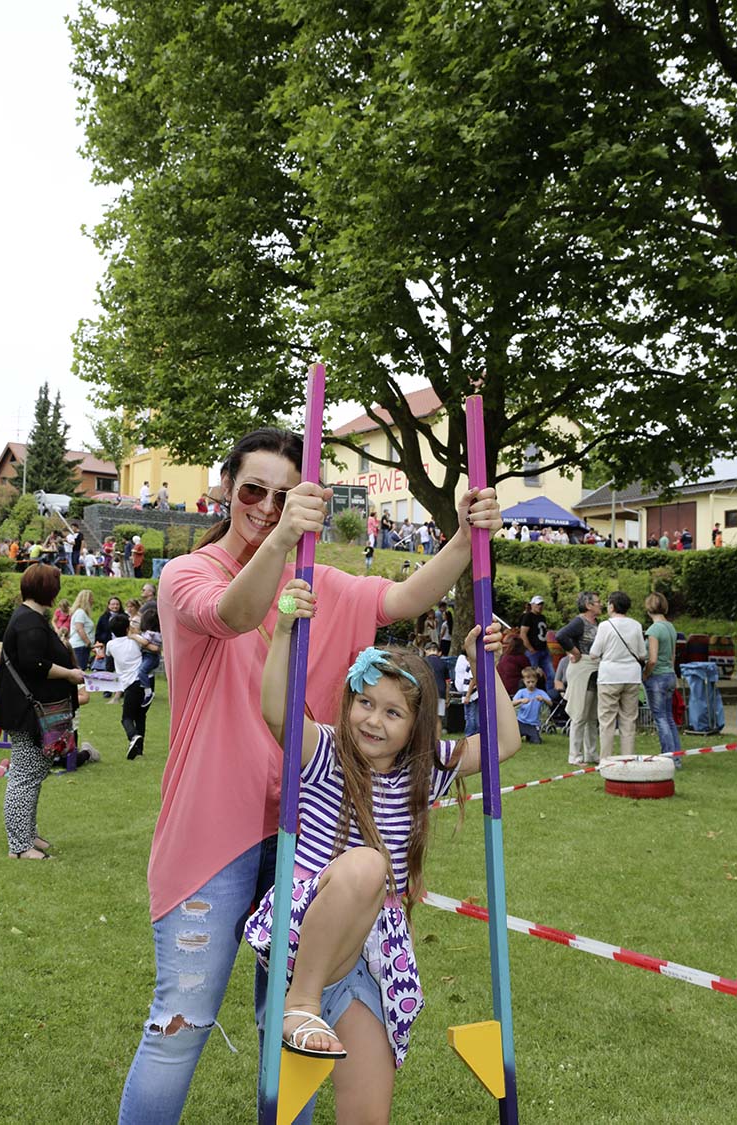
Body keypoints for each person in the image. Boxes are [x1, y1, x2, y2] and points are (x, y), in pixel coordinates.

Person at [116, 425, 504, 1124]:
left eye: (286, 494)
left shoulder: (321, 582)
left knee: (293, 1030)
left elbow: (405, 598)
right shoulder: (189, 575)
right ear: (226, 491)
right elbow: (235, 613)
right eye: (253, 491)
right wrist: (283, 539)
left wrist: (463, 534)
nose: (267, 506)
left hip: (310, 836)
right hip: (212, 832)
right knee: (181, 1023)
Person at [242, 588, 520, 1117]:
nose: (373, 720)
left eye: (393, 712)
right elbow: (276, 710)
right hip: (309, 927)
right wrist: (283, 631)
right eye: (365, 703)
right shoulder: (325, 751)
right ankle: (301, 1003)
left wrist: (484, 666)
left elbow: (504, 744)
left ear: (416, 725)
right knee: (371, 864)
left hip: (376, 951)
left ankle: (317, 1008)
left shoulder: (425, 771)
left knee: (370, 1110)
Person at [0, 564, 84, 858]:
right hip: (29, 714)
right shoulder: (29, 622)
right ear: (48, 590)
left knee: (32, 774)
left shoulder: (30, 618)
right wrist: (69, 674)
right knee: (24, 777)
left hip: (30, 712)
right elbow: (34, 663)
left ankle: (28, 834)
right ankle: (20, 846)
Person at [590, 591, 646, 758]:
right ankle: (627, 758)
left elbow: (594, 653)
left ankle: (606, 760)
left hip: (609, 676)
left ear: (612, 606)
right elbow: (642, 654)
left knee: (607, 720)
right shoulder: (636, 625)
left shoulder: (605, 626)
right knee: (628, 720)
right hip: (631, 677)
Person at [555, 592, 602, 766]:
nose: (601, 604)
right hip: (582, 671)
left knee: (592, 716)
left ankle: (591, 753)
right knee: (579, 714)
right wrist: (575, 652)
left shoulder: (598, 623)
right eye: (597, 602)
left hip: (595, 672)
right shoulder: (579, 621)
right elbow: (561, 635)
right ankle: (574, 755)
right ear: (588, 605)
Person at [642, 592, 682, 768]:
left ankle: (668, 757)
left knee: (660, 718)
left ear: (649, 608)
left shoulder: (654, 630)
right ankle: (676, 757)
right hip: (669, 675)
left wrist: (645, 674)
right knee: (669, 718)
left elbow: (652, 659)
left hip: (657, 677)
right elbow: (672, 656)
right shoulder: (670, 627)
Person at [106, 613, 149, 759]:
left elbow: (108, 657)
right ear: (127, 628)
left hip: (130, 684)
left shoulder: (110, 645)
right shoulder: (135, 641)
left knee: (127, 718)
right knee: (140, 716)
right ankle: (139, 750)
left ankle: (133, 737)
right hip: (144, 682)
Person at [519, 595, 555, 690]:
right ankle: (533, 694)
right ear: (532, 605)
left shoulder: (542, 617)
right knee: (532, 676)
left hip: (543, 649)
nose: (540, 606)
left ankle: (548, 694)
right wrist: (530, 648)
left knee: (551, 674)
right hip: (533, 651)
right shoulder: (528, 617)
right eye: (538, 604)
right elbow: (523, 634)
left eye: (541, 604)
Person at [131, 604, 162, 705]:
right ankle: (143, 688)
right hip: (149, 656)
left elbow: (144, 642)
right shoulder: (155, 632)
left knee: (142, 671)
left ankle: (148, 692)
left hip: (150, 656)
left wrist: (134, 636)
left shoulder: (151, 633)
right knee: (144, 672)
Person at [511, 667, 551, 743]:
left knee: (536, 741)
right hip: (521, 722)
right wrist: (521, 700)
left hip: (533, 723)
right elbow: (512, 703)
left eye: (533, 682)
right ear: (524, 681)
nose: (531, 684)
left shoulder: (540, 692)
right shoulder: (521, 692)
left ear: (536, 681)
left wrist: (543, 699)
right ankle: (522, 734)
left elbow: (550, 703)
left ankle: (530, 736)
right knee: (513, 740)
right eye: (528, 682)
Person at [424, 641, 450, 737]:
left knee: (426, 718)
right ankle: (438, 740)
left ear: (426, 651)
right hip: (440, 692)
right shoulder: (443, 663)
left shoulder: (423, 662)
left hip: (426, 692)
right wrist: (447, 697)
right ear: (439, 652)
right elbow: (447, 682)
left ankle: (426, 739)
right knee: (438, 718)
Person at [69, 590, 95, 671]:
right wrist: (88, 642)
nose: (93, 600)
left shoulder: (81, 613)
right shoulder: (80, 612)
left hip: (81, 646)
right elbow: (79, 629)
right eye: (91, 598)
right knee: (80, 669)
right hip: (80, 646)